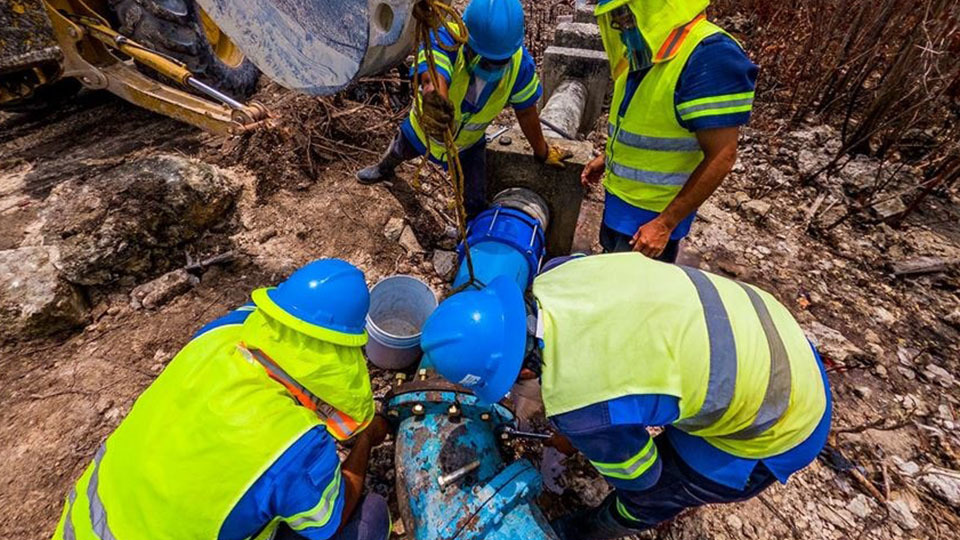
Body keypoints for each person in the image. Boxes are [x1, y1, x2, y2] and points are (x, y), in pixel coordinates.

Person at [420, 253, 832, 540]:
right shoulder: (558, 273)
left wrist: (588, 442)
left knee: (650, 495)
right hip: (769, 324)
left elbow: (642, 474)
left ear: (523, 369)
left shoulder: (579, 405)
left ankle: (583, 531)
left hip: (784, 419)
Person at [52, 259, 392, 540]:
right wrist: (363, 442)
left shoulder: (220, 335)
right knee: (371, 520)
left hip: (79, 525)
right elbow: (329, 520)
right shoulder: (290, 443)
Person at [356, 0, 572, 219]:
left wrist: (542, 151)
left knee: (474, 195)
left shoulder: (520, 67)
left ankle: (470, 229)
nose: (490, 67)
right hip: (424, 131)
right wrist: (434, 98)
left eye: (498, 62)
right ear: (466, 38)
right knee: (399, 149)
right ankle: (384, 168)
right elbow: (433, 72)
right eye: (485, 60)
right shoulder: (446, 39)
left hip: (467, 145)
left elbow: (526, 112)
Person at [580, 0, 758, 263]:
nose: (619, 25)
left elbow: (723, 155)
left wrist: (665, 224)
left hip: (651, 218)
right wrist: (609, 159)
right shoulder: (647, 51)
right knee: (611, 270)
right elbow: (647, 122)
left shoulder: (709, 55)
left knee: (633, 295)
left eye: (625, 14)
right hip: (621, 204)